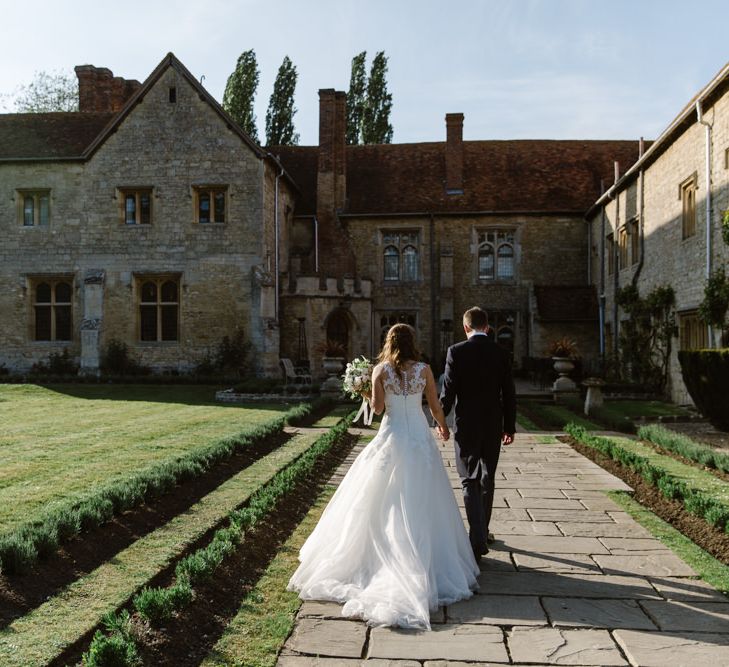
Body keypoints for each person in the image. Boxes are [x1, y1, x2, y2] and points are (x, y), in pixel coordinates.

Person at [288, 324, 479, 629]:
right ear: (412, 342)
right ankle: (426, 561)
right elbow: (434, 404)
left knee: (380, 497)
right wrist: (443, 427)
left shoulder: (380, 371)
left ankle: (379, 556)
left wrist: (364, 390)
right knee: (422, 497)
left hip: (392, 436)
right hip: (417, 435)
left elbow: (377, 410)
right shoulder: (425, 370)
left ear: (388, 342)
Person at [440, 307, 516, 561]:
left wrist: (440, 420)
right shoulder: (501, 353)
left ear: (465, 328)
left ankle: (477, 538)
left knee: (468, 479)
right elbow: (509, 393)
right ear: (487, 327)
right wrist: (510, 426)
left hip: (466, 425)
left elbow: (448, 391)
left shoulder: (456, 352)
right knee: (487, 476)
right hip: (493, 424)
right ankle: (482, 532)